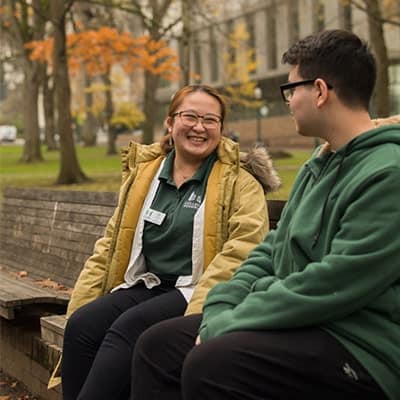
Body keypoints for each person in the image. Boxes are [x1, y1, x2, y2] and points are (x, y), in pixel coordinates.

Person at [131, 30, 400, 400]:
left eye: (291, 90)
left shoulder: (388, 173)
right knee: (157, 345)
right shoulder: (317, 165)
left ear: (319, 91)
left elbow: (334, 284)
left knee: (210, 363)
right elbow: (272, 249)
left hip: (359, 346)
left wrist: (232, 321)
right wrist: (221, 305)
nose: (288, 101)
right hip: (305, 322)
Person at [54, 84, 281, 399]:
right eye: (190, 116)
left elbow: (243, 251)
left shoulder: (239, 181)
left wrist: (205, 308)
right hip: (146, 284)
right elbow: (111, 242)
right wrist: (85, 296)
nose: (199, 127)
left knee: (127, 329)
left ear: (221, 129)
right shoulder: (145, 175)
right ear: (171, 122)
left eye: (210, 120)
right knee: (82, 326)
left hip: (194, 289)